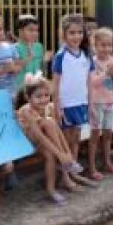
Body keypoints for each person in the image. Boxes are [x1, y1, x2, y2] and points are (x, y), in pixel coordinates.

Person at [16, 74, 84, 204]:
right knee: (48, 122)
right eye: (38, 96)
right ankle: (65, 161)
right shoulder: (26, 111)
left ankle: (51, 190)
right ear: (28, 98)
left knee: (50, 154)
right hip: (28, 142)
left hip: (45, 142)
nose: (43, 99)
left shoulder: (49, 107)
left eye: (46, 95)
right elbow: (39, 136)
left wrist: (67, 154)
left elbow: (58, 132)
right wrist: (61, 154)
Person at [51, 14, 95, 188]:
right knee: (66, 142)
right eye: (71, 33)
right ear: (63, 34)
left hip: (81, 103)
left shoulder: (86, 54)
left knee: (76, 138)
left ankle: (73, 172)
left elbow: (89, 82)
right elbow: (56, 83)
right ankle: (65, 176)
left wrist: (90, 104)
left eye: (79, 32)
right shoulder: (61, 55)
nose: (76, 36)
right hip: (66, 105)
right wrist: (57, 106)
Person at [87, 27, 113, 180]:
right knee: (95, 135)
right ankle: (91, 167)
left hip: (110, 100)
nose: (106, 48)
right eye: (103, 45)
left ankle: (107, 163)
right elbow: (92, 82)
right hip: (96, 102)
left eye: (109, 45)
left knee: (108, 134)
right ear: (95, 46)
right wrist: (107, 73)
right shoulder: (92, 62)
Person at [13, 14, 49, 91]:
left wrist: (45, 61)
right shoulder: (14, 48)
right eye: (31, 30)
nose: (35, 33)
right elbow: (13, 69)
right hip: (20, 89)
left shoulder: (39, 46)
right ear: (20, 31)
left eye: (36, 30)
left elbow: (41, 68)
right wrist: (28, 59)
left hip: (36, 88)